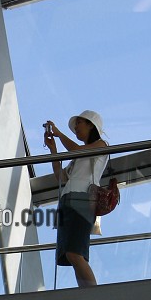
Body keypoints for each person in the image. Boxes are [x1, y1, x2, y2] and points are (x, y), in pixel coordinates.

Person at [45, 109, 108, 289]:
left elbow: (77, 150)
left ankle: (92, 294)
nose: (76, 127)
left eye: (79, 123)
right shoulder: (78, 157)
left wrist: (58, 133)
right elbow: (60, 176)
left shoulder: (101, 145)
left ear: (91, 126)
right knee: (71, 254)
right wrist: (53, 150)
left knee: (75, 252)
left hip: (82, 200)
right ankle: (86, 293)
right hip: (69, 201)